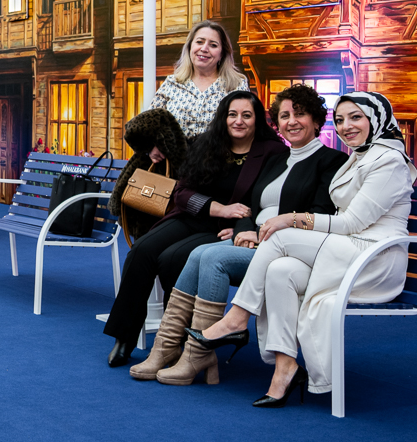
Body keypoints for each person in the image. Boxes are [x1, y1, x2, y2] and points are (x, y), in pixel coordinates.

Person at [190, 91, 416, 407]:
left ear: (377, 118)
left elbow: (351, 222)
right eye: (341, 120)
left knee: (280, 235)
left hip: (374, 258)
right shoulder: (361, 155)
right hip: (347, 249)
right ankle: (285, 369)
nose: (346, 126)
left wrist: (291, 219)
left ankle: (237, 319)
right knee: (280, 270)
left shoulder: (388, 160)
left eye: (356, 117)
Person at [137, 85, 348, 385]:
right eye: (284, 116)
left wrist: (261, 233)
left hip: (286, 249)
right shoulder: (278, 159)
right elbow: (249, 204)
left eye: (300, 114)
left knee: (212, 258)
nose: (291, 121)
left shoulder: (331, 161)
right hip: (254, 239)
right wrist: (244, 229)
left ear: (316, 121)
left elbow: (317, 214)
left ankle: (198, 353)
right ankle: (166, 347)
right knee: (197, 254)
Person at [102, 91, 285, 367]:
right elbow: (182, 192)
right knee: (142, 250)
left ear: (257, 119)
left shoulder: (272, 152)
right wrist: (219, 207)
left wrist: (240, 226)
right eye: (232, 114)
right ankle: (124, 336)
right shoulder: (207, 143)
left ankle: (175, 339)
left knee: (172, 259)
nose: (238, 121)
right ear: (223, 117)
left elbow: (268, 199)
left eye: (246, 115)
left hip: (224, 229)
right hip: (192, 215)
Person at [148, 20, 250, 140]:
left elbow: (247, 129)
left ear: (222, 54)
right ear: (190, 46)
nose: (204, 48)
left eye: (213, 45)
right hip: (177, 152)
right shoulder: (172, 83)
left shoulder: (237, 85)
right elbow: (149, 125)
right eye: (199, 42)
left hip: (219, 152)